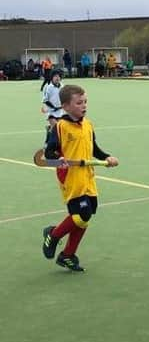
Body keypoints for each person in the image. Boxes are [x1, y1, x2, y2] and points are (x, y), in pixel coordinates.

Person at [41, 84, 119, 271]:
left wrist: (106, 157)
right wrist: (58, 158)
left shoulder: (88, 125)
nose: (84, 106)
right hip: (71, 178)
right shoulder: (60, 127)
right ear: (66, 106)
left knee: (87, 215)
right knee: (81, 215)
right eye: (79, 103)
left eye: (85, 102)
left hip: (88, 176)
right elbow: (49, 152)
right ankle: (53, 234)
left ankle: (67, 255)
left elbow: (94, 149)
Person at [40, 69, 64, 142]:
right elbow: (45, 100)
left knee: (59, 128)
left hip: (60, 111)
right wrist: (53, 107)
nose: (57, 78)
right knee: (55, 127)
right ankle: (49, 143)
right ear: (52, 78)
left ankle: (49, 130)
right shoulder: (48, 87)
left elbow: (65, 97)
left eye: (59, 76)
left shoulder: (62, 86)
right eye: (55, 76)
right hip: (51, 112)